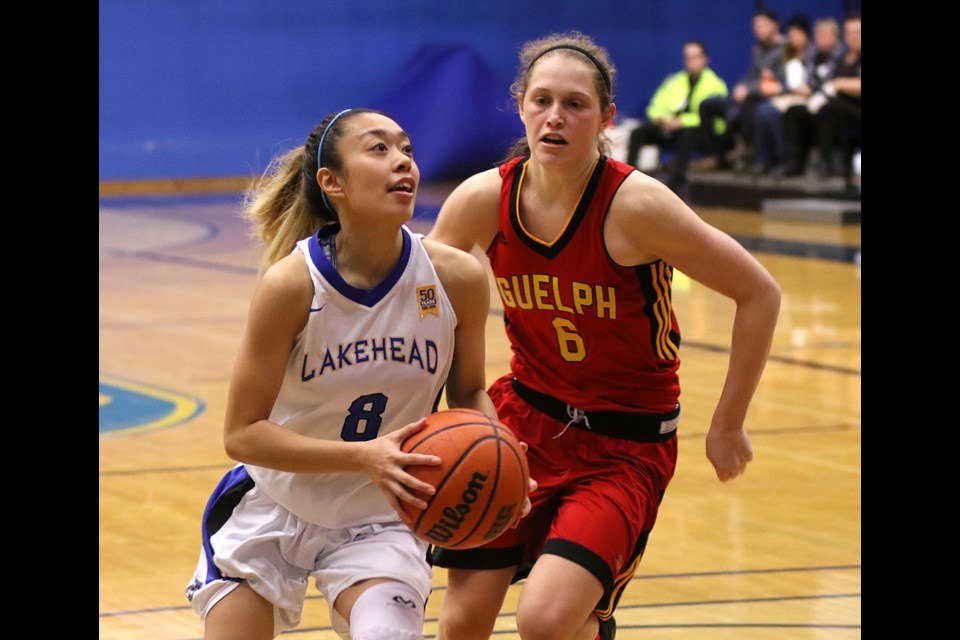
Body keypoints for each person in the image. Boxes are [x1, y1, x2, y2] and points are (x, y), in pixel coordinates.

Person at [427, 31, 782, 640]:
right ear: (520, 107)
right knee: (461, 622)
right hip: (521, 425)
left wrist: (727, 423)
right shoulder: (484, 198)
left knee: (545, 620)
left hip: (624, 445)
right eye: (541, 101)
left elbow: (759, 293)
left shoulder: (637, 206)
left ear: (606, 118)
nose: (555, 118)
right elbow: (423, 299)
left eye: (575, 104)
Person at [183, 108, 499, 640]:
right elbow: (241, 434)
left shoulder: (457, 277)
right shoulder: (292, 286)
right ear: (332, 183)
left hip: (379, 518)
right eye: (378, 149)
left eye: (407, 149)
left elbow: (468, 390)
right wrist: (362, 456)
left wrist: (496, 450)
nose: (402, 161)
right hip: (274, 506)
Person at [624, 40, 728, 191]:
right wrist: (662, 119)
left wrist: (682, 121)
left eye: (695, 57)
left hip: (701, 134)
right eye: (688, 57)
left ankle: (678, 181)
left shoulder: (716, 85)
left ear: (705, 59)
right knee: (638, 133)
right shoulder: (675, 81)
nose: (691, 62)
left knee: (688, 133)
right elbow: (655, 105)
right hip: (670, 128)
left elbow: (714, 120)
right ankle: (628, 178)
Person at [699, 8, 785, 171]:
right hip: (745, 97)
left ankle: (748, 153)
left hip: (764, 98)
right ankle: (717, 156)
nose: (758, 30)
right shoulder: (758, 49)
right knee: (707, 105)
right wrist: (741, 86)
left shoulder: (784, 49)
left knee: (750, 105)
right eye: (756, 26)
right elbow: (752, 75)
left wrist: (750, 89)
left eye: (763, 25)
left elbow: (779, 81)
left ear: (775, 25)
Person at [782, 16, 845, 176]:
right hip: (811, 99)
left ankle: (825, 162)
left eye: (825, 35)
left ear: (835, 37)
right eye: (818, 35)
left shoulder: (841, 55)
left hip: (833, 101)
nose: (821, 39)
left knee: (826, 112)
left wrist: (817, 94)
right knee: (793, 111)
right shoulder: (813, 55)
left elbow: (834, 83)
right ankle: (796, 161)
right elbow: (809, 79)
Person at [814, 12, 861, 181]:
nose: (853, 37)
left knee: (830, 108)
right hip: (841, 110)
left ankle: (828, 163)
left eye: (858, 32)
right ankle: (827, 162)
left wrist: (840, 83)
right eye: (849, 32)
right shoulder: (841, 60)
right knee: (805, 111)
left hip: (856, 108)